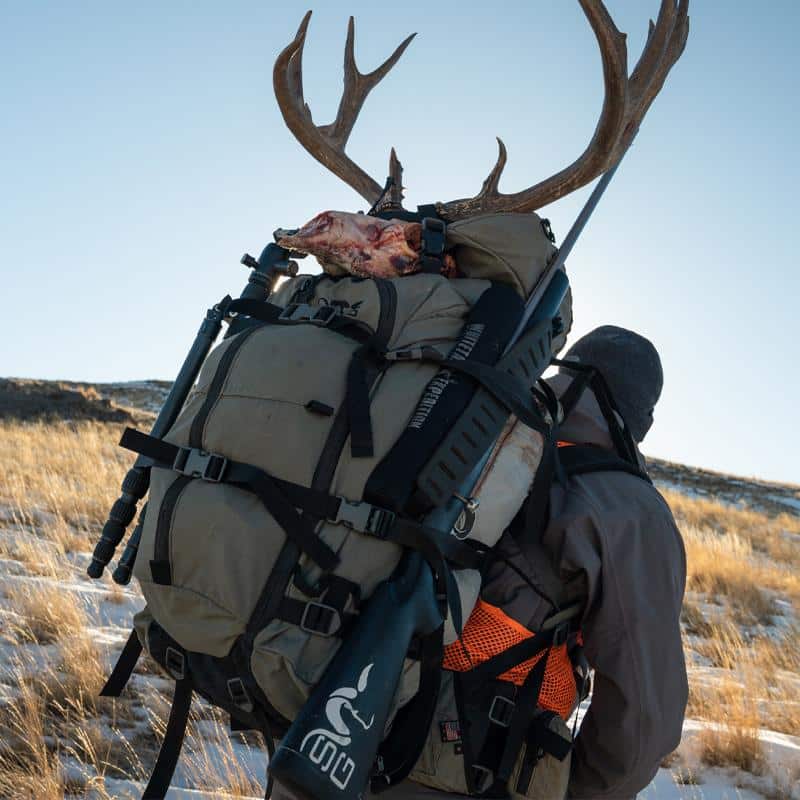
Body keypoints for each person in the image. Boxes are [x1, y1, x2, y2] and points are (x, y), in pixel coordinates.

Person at [502, 324, 688, 799]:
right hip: (480, 770)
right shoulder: (629, 508)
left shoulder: (484, 437)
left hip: (344, 731)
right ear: (640, 418)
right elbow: (644, 719)